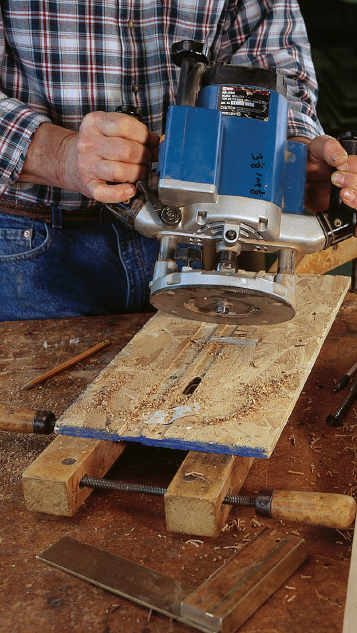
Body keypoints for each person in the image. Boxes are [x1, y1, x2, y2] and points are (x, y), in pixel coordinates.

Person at [0, 0, 356, 321]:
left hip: (196, 232)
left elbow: (270, 66)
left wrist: (289, 153)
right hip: (36, 243)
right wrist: (57, 154)